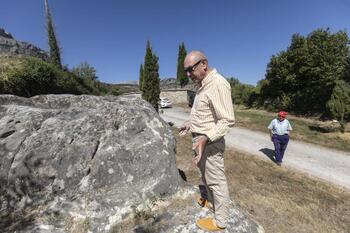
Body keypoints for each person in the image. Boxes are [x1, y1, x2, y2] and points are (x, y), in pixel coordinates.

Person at [179, 50, 235, 231]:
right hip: (201, 142)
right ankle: (212, 203)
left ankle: (221, 222)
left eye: (190, 69)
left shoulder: (218, 84)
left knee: (216, 181)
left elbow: (227, 120)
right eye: (186, 71)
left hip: (210, 143)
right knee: (206, 176)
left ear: (204, 63)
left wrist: (205, 139)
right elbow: (205, 114)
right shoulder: (203, 85)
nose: (188, 74)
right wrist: (190, 124)